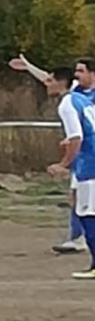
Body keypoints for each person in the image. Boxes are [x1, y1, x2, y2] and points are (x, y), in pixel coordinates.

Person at [10, 55, 95, 254]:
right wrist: (29, 67)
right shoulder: (77, 92)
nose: (77, 75)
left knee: (85, 197)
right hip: (85, 153)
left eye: (81, 71)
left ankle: (82, 238)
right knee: (77, 196)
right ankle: (79, 237)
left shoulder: (81, 98)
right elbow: (52, 80)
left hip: (88, 153)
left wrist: (74, 145)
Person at [42, 67, 95, 279]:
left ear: (61, 82)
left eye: (50, 80)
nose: (47, 84)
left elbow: (77, 137)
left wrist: (63, 164)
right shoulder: (82, 100)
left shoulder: (68, 104)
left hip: (90, 166)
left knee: (88, 215)